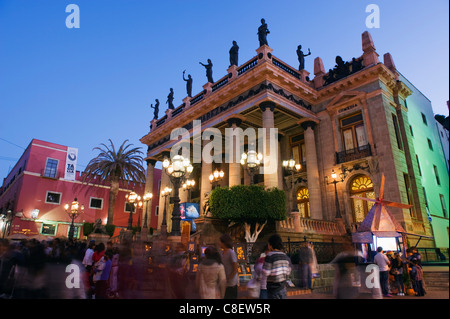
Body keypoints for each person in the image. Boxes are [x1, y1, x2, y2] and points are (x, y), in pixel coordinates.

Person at [263, 234, 292, 299]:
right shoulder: (285, 256)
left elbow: (265, 272)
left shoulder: (270, 256)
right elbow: (288, 271)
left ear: (270, 245)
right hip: (282, 288)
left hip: (272, 289)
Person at [219, 234, 239, 299]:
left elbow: (235, 268)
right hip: (224, 283)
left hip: (231, 284)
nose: (219, 243)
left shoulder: (231, 253)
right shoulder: (222, 253)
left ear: (224, 242)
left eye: (220, 242)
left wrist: (229, 279)